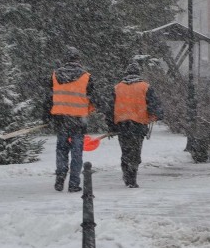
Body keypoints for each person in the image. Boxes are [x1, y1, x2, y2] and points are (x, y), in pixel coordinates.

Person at [48, 47, 101, 193]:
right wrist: (88, 110)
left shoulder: (55, 75)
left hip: (61, 119)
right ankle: (73, 184)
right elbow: (94, 99)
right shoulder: (86, 76)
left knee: (61, 150)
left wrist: (48, 116)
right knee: (77, 153)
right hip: (78, 120)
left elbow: (49, 98)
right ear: (78, 60)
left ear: (66, 60)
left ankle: (59, 180)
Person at [108, 62, 162, 188]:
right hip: (138, 124)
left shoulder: (117, 87)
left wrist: (111, 125)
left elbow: (110, 108)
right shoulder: (145, 87)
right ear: (139, 73)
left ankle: (126, 173)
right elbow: (154, 105)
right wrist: (154, 116)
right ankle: (132, 177)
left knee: (125, 150)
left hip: (122, 124)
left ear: (126, 73)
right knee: (135, 152)